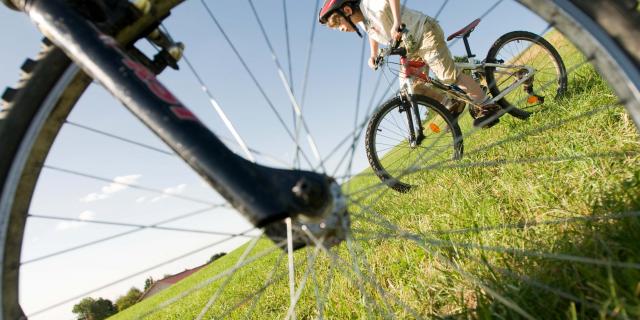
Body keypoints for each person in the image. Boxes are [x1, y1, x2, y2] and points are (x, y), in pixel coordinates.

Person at [318, 0, 500, 128]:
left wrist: (397, 21)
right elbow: (373, 35)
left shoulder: (369, 4)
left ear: (347, 11)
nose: (341, 29)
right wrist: (373, 54)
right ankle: (451, 102)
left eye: (339, 24)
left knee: (447, 76)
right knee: (411, 86)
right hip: (411, 47)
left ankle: (487, 105)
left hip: (424, 32)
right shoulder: (364, 22)